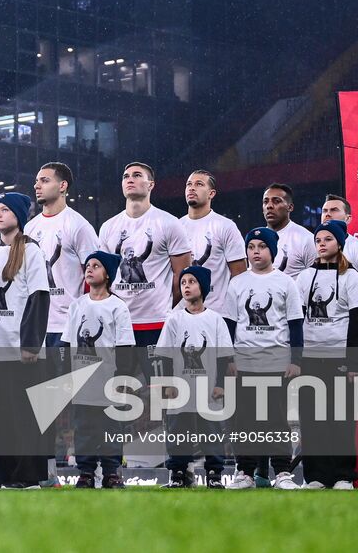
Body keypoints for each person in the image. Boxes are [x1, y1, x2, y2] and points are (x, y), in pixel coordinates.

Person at [25, 161, 98, 487]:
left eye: (45, 180)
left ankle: (89, 469)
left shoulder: (78, 225)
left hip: (69, 327)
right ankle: (48, 470)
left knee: (82, 401)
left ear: (63, 185)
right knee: (43, 402)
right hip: (39, 327)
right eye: (37, 180)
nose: (38, 186)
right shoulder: (30, 229)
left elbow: (95, 275)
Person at [0, 192, 50, 488]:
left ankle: (27, 476)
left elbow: (38, 298)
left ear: (19, 216)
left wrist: (30, 345)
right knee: (1, 416)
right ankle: (2, 476)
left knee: (24, 413)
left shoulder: (32, 251)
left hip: (21, 347)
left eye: (5, 210)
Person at [224, 227, 304, 490]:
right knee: (244, 419)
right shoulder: (237, 283)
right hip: (244, 362)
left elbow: (295, 325)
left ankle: (282, 473)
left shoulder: (285, 283)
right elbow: (229, 326)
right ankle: (245, 472)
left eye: (261, 246)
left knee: (277, 418)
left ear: (273, 250)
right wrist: (228, 360)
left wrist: (296, 361)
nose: (255, 252)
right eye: (251, 247)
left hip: (277, 362)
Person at [296, 220, 358, 489]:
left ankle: (342, 476)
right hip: (310, 359)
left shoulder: (351, 277)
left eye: (327, 239)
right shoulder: (304, 278)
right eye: (318, 240)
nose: (322, 244)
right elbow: (294, 319)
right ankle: (315, 476)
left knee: (341, 419)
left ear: (339, 243)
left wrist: (354, 363)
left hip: (340, 359)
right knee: (312, 420)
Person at [98, 162, 192, 343]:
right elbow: (104, 275)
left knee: (159, 373)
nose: (130, 179)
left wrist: (163, 306)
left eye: (137, 175)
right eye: (126, 176)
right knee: (119, 373)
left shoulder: (169, 223)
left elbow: (182, 275)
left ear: (151, 184)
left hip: (157, 321)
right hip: (117, 321)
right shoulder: (108, 227)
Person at [158, 265, 233, 489]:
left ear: (203, 286)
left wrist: (220, 385)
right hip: (181, 389)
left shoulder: (216, 320)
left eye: (191, 282)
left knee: (211, 432)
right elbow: (165, 355)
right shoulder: (174, 319)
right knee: (178, 432)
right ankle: (179, 474)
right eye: (183, 283)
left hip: (207, 389)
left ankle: (214, 474)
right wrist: (169, 383)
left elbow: (223, 357)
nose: (186, 287)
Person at [66, 250, 134, 488]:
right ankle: (85, 472)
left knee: (110, 428)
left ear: (107, 275)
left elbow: (125, 346)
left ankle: (111, 473)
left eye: (96, 265)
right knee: (83, 428)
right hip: (81, 381)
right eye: (87, 265)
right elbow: (67, 344)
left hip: (108, 380)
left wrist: (122, 377)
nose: (89, 269)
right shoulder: (76, 306)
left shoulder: (118, 307)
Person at [181, 170, 247, 314]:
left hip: (218, 313)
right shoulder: (176, 227)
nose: (192, 188)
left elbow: (240, 274)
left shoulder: (226, 226)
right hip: (182, 314)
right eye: (189, 184)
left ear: (211, 193)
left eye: (199, 184)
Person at [260, 183, 315, 278]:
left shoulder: (306, 239)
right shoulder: (255, 240)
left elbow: (316, 280)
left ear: (290, 207)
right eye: (266, 202)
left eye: (276, 201)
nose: (269, 206)